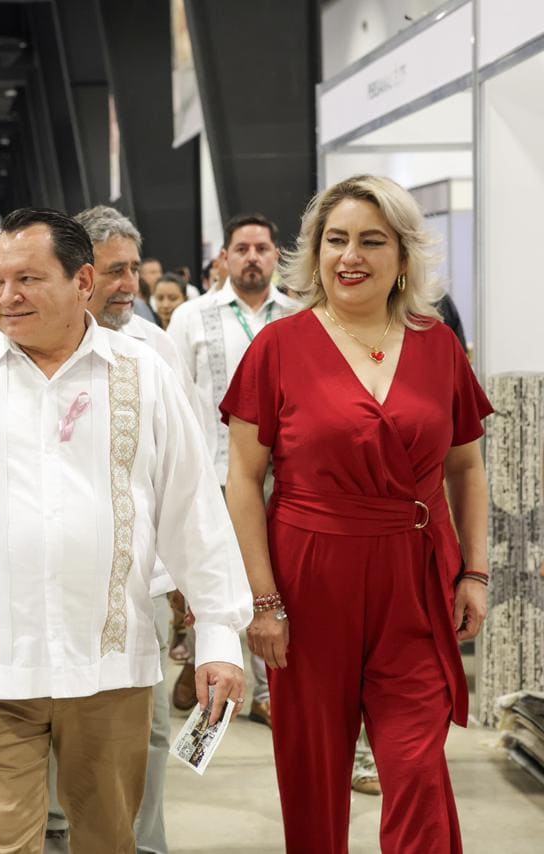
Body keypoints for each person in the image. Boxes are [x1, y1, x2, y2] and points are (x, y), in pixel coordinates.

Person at [0, 207, 251, 854]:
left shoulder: (142, 374)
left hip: (109, 667)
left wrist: (218, 632)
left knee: (108, 841)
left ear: (82, 281)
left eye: (28, 279)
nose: (6, 296)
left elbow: (193, 514)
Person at [221, 174, 492, 854]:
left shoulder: (438, 346)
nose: (350, 256)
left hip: (416, 577)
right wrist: (263, 600)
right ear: (314, 253)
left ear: (402, 256)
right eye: (335, 239)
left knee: (418, 767)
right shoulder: (277, 348)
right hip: (310, 576)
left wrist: (476, 573)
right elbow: (244, 481)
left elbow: (466, 469)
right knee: (313, 769)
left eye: (372, 241)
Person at [74, 204, 204, 854]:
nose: (130, 284)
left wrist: (189, 581)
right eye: (113, 271)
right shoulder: (34, 348)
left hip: (142, 582)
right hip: (65, 580)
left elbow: (185, 471)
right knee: (66, 730)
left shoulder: (157, 347)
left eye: (133, 269)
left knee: (148, 730)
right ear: (79, 272)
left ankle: (146, 846)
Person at [166, 213, 298, 727]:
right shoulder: (191, 317)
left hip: (286, 474)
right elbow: (176, 399)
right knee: (222, 578)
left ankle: (266, 687)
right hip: (217, 470)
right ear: (224, 258)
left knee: (272, 580)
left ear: (276, 256)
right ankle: (213, 664)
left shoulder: (300, 315)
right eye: (241, 249)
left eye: (262, 248)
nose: (252, 258)